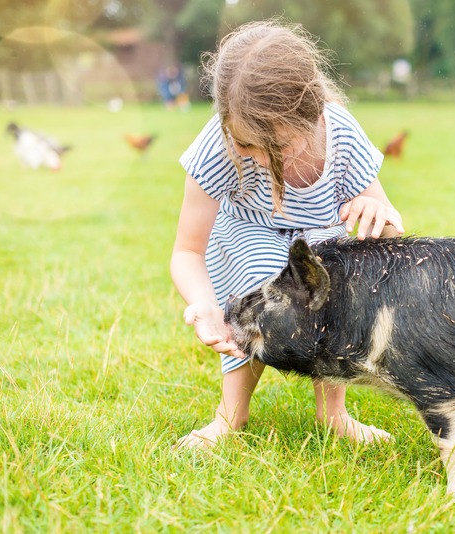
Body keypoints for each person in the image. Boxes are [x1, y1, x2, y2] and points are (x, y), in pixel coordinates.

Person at [171, 20, 405, 448]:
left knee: (326, 281)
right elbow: (187, 251)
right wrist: (204, 303)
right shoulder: (218, 146)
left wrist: (380, 212)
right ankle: (231, 415)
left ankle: (334, 413)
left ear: (312, 116)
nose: (258, 159)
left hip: (317, 237)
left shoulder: (340, 134)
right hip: (247, 235)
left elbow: (389, 238)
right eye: (246, 145)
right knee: (264, 283)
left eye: (275, 148)